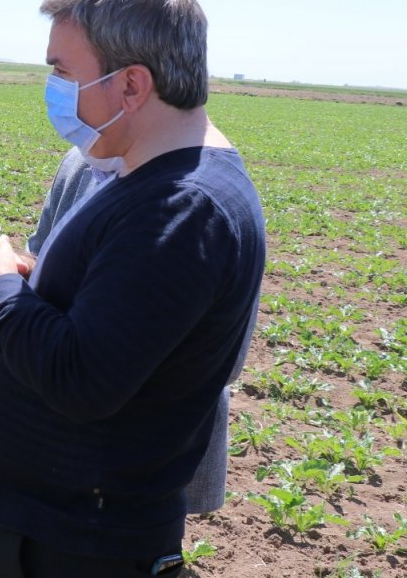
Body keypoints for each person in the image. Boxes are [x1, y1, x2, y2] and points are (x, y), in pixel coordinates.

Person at [0, 0, 266, 576]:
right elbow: (117, 314)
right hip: (59, 523)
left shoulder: (183, 208)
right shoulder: (148, 179)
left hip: (83, 540)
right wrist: (21, 272)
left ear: (132, 86)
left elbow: (83, 377)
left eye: (63, 71)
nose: (54, 88)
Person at [27, 148, 254, 516]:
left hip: (141, 449)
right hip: (58, 426)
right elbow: (39, 256)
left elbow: (225, 358)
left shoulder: (197, 197)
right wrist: (7, 274)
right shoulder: (79, 163)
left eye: (73, 85)